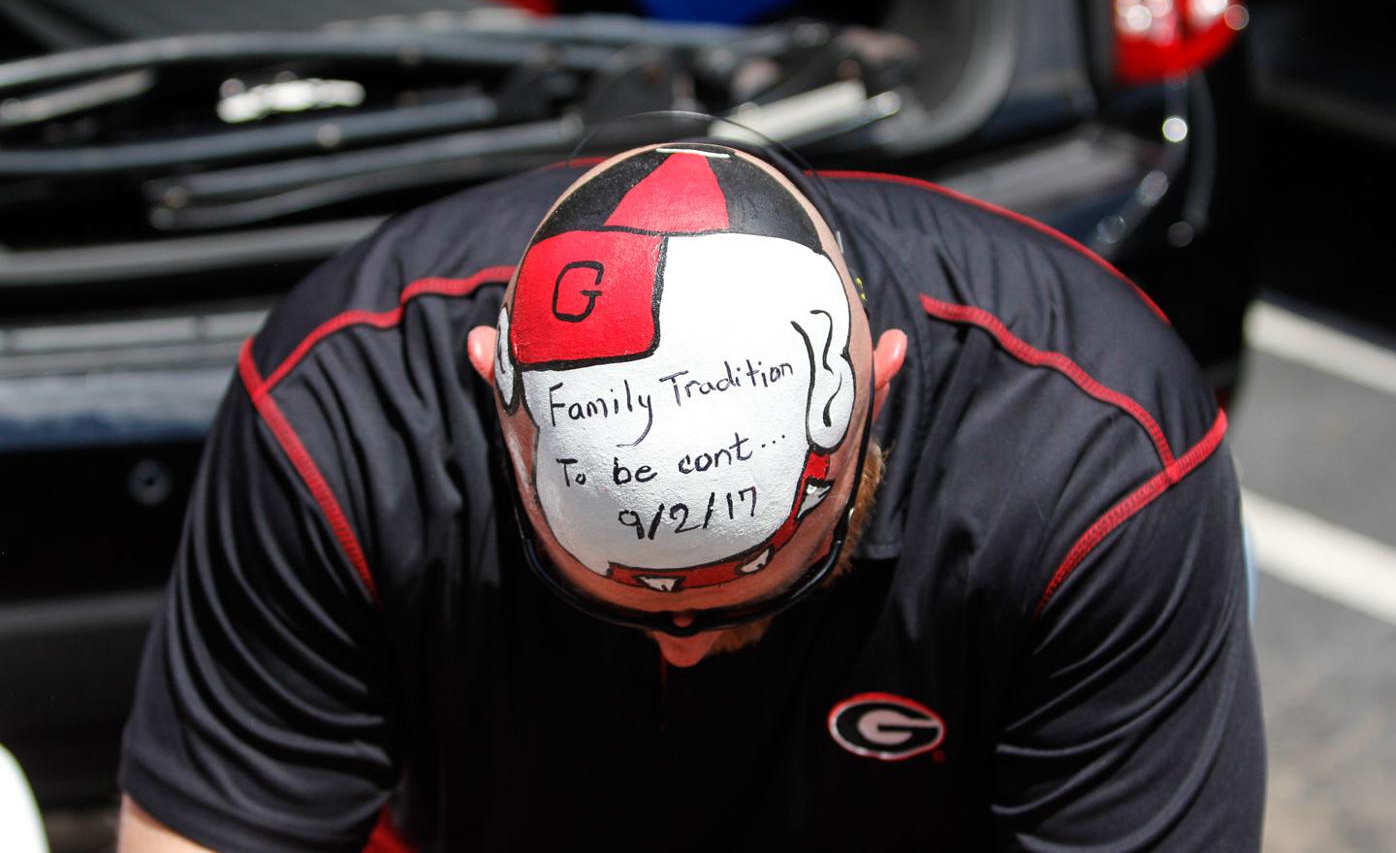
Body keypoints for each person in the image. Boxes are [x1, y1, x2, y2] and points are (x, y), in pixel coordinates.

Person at [117, 141, 1265, 851]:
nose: (684, 652)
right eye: (631, 604)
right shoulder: (342, 407)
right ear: (495, 398)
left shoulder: (1095, 460)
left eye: (764, 590)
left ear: (876, 386)